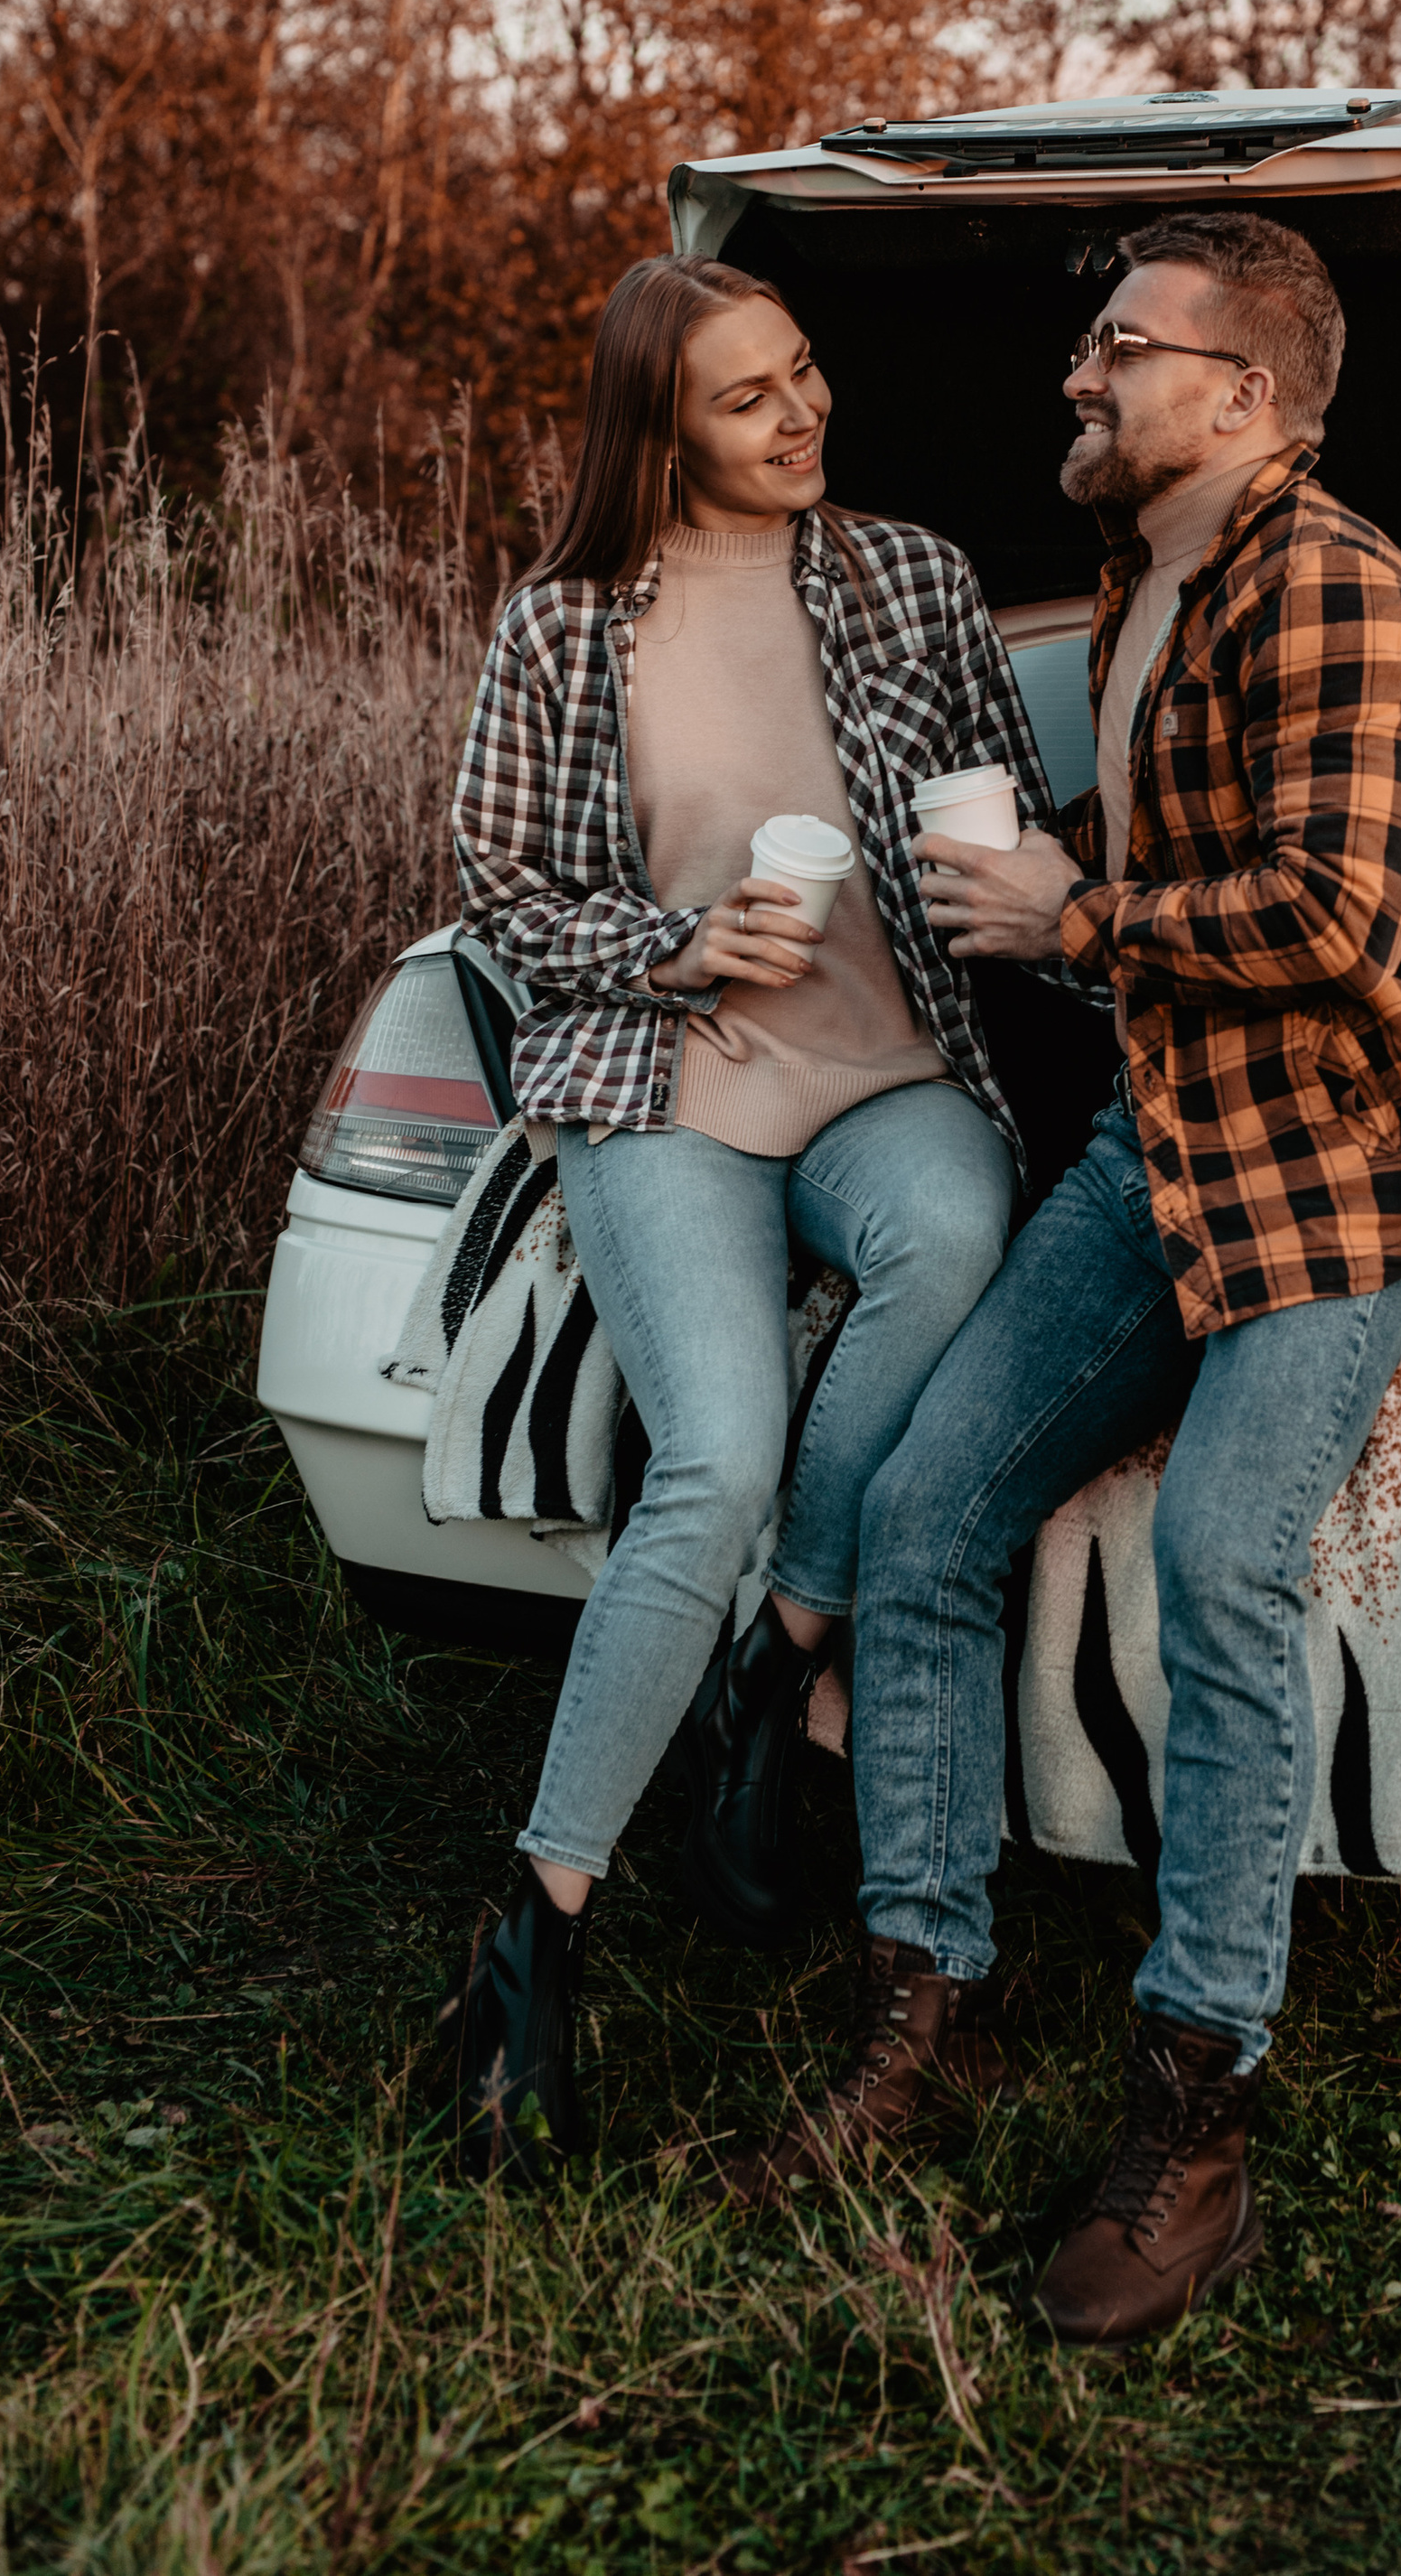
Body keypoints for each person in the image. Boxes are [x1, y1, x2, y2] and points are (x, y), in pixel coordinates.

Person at [724, 209, 1401, 2344]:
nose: (1078, 377)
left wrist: (1066, 921)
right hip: (1165, 1135)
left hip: (1349, 1157)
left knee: (1216, 1558)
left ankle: (1196, 2107)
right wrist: (1038, 856)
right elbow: (1180, 830)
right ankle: (927, 2004)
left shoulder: (1336, 589)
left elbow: (1334, 916)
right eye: (1089, 344)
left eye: (1123, 348)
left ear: (1242, 394)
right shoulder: (1141, 573)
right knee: (921, 1517)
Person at [437, 254, 1055, 2182]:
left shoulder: (910, 577)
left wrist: (1013, 871)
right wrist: (679, 941)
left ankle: (777, 1652)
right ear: (660, 429)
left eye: (803, 372)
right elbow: (501, 892)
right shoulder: (564, 626)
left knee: (954, 1237)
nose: (802, 415)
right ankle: (535, 1935)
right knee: (708, 1455)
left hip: (884, 1066)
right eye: (747, 397)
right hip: (670, 1073)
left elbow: (1021, 808)